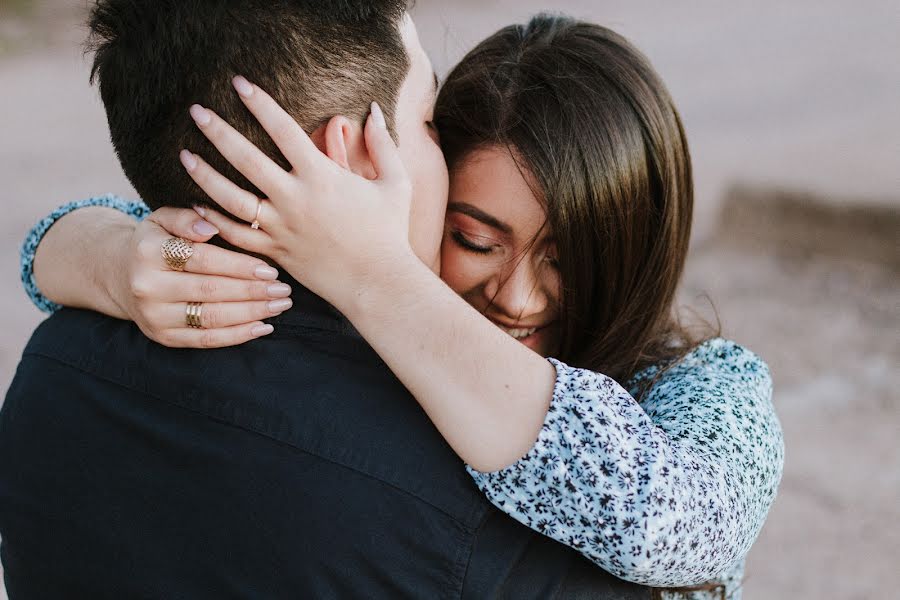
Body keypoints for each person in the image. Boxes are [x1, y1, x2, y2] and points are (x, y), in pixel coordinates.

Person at [12, 12, 784, 600]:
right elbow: (81, 241)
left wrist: (376, 273)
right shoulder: (360, 381)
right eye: (474, 239)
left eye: (569, 258)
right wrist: (104, 253)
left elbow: (680, 522)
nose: (517, 298)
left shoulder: (706, 389)